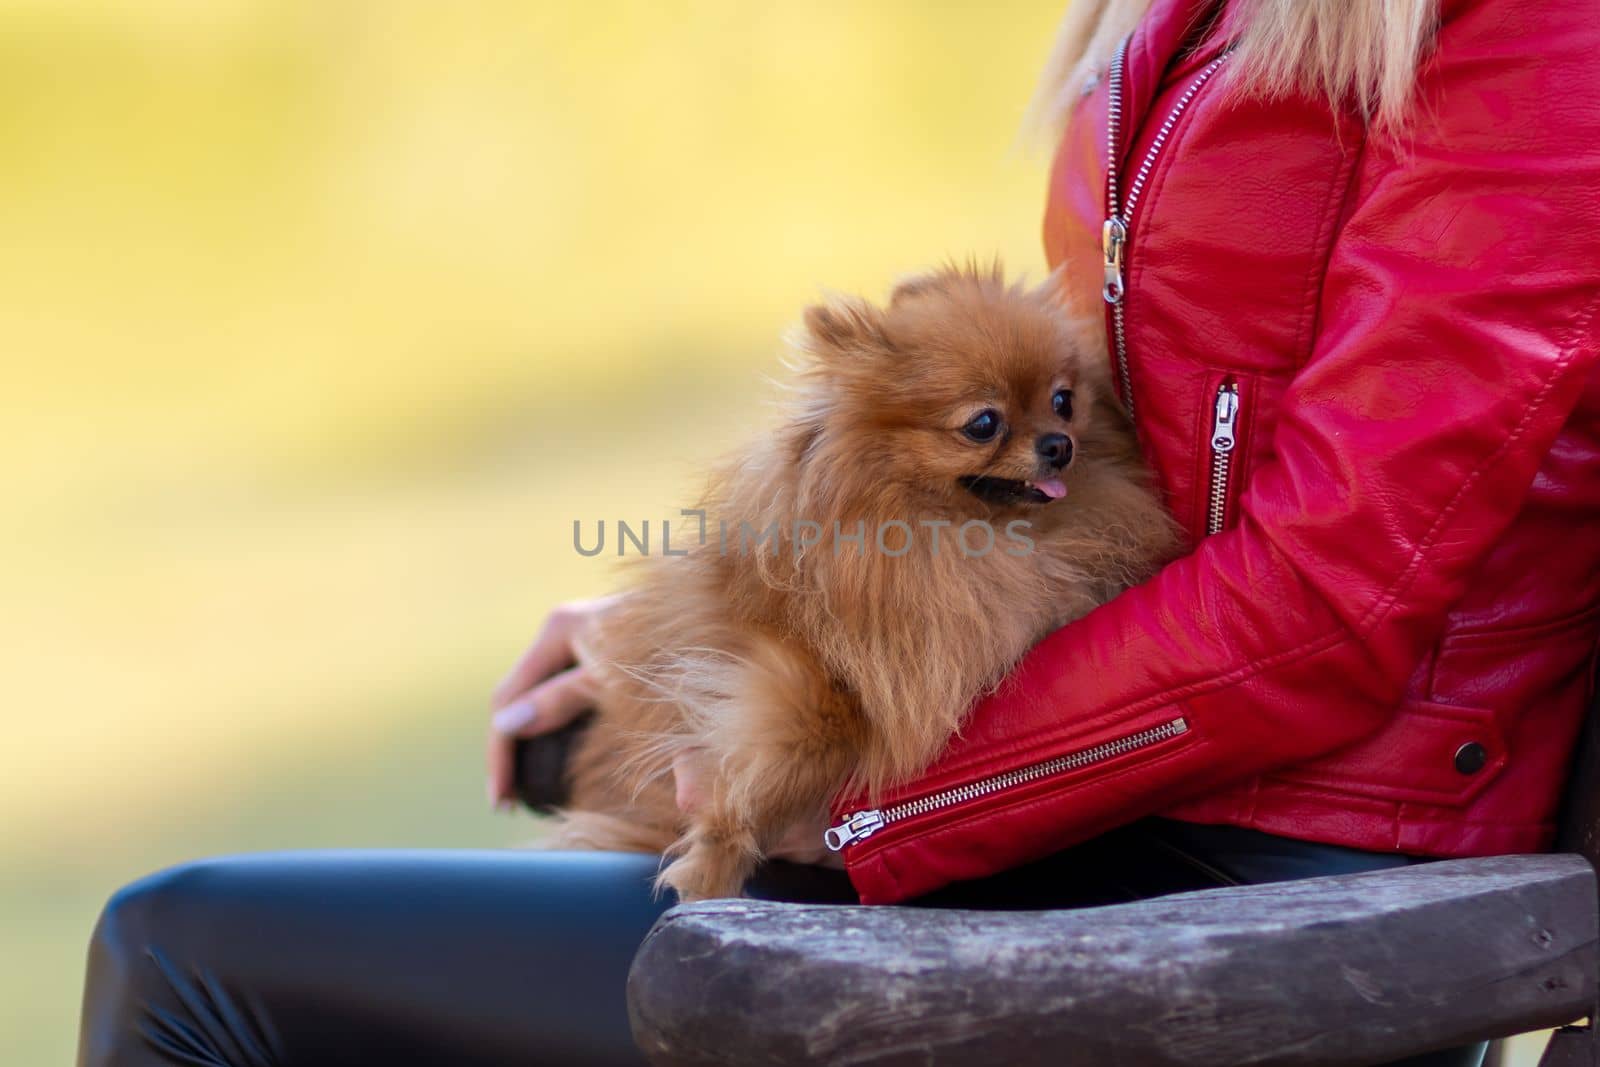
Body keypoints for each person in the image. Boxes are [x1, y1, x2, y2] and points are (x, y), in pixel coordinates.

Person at [80, 0, 1600, 1064]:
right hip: (1097, 807)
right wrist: (723, 624)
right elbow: (1097, 441)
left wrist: (828, 794)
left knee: (192, 961)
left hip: (1266, 896)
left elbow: (1337, 600)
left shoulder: (1525, 34)